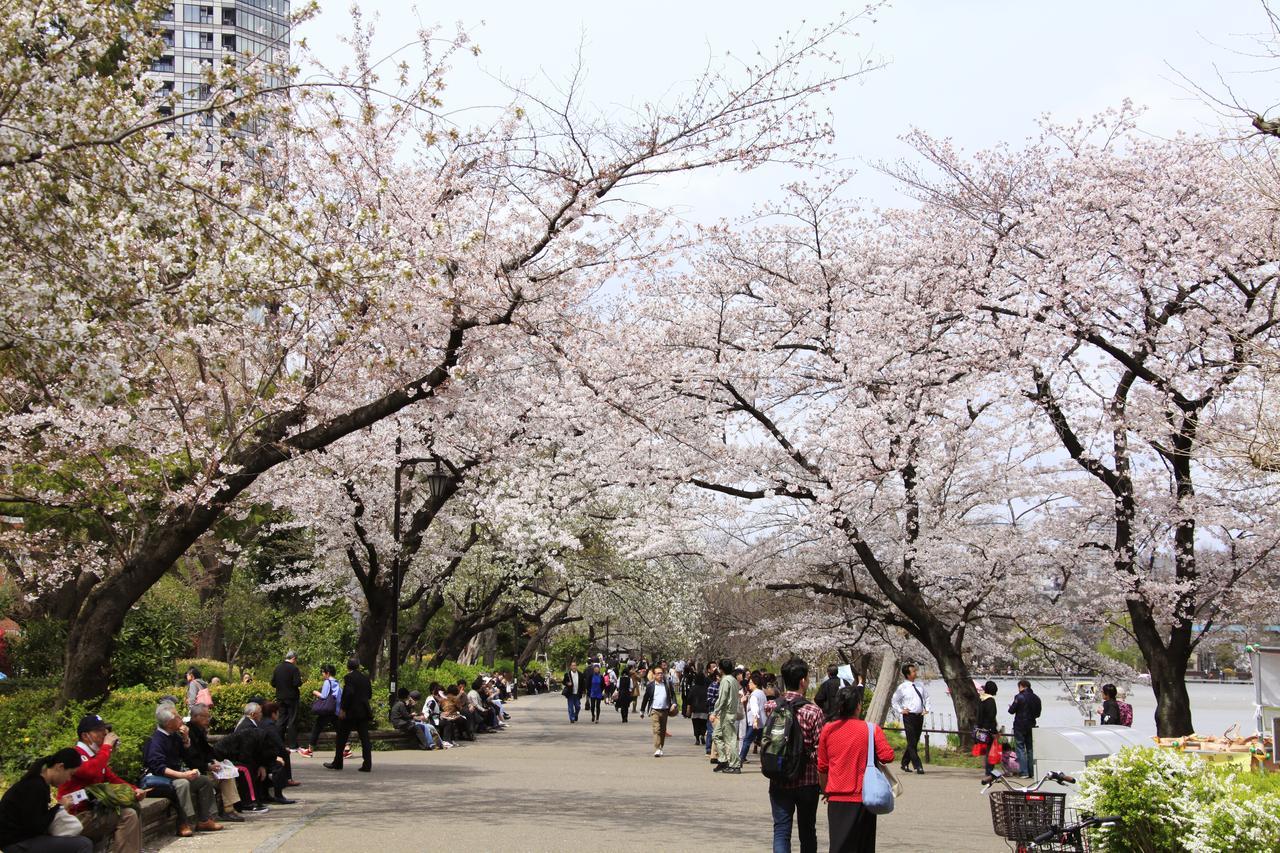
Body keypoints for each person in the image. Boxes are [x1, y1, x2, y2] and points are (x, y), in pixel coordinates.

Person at [818, 685, 895, 853]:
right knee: (863, 847)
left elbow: (822, 767)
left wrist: (826, 791)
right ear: (858, 705)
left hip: (837, 798)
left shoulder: (828, 730)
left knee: (839, 847)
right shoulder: (871, 729)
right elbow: (887, 756)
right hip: (864, 798)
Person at [60, 714, 146, 850]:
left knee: (133, 806)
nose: (104, 734)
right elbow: (90, 772)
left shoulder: (95, 757)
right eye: (98, 731)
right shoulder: (75, 755)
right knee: (128, 815)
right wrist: (106, 747)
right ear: (85, 736)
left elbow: (113, 779)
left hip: (92, 812)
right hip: (76, 816)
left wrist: (135, 790)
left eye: (104, 730)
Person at [766, 658, 826, 853]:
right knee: (807, 830)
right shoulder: (813, 711)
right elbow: (820, 750)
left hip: (779, 776)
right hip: (807, 780)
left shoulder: (771, 707)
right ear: (802, 680)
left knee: (781, 830)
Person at [141, 704, 222, 836]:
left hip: (175, 775)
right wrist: (182, 775)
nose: (181, 719)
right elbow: (159, 768)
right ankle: (183, 822)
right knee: (183, 784)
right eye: (177, 717)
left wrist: (185, 740)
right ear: (169, 723)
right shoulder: (156, 740)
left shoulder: (174, 735)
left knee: (203, 781)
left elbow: (188, 757)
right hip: (161, 779)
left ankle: (205, 819)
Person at [0, 748, 92, 853]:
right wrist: (60, 807)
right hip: (16, 842)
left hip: (18, 839)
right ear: (60, 767)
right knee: (83, 844)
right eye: (70, 774)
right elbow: (36, 827)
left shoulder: (38, 783)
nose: (68, 779)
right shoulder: (36, 786)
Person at [183, 704, 246, 824]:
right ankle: (226, 811)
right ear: (196, 717)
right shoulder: (189, 733)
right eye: (206, 717)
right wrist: (207, 766)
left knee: (227, 773)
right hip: (195, 771)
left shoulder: (199, 731)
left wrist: (214, 761)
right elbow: (191, 757)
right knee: (223, 777)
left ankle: (229, 809)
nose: (208, 720)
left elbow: (207, 751)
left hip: (204, 767)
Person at [325, 657, 373, 772]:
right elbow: (369, 694)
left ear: (348, 667)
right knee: (365, 739)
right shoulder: (365, 678)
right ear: (358, 666)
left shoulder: (349, 677)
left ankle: (338, 762)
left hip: (351, 712)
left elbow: (348, 693)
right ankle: (367, 764)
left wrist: (343, 709)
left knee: (341, 737)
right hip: (363, 712)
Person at [889, 663, 928, 774]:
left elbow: (927, 697)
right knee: (911, 741)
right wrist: (901, 710)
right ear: (907, 674)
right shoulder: (902, 687)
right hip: (909, 716)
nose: (915, 672)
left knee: (915, 741)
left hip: (919, 716)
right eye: (913, 671)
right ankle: (918, 765)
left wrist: (926, 708)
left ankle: (904, 762)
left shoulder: (920, 685)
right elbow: (894, 700)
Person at [300, 663, 341, 757]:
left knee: (317, 728)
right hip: (334, 709)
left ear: (327, 673)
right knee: (340, 729)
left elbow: (324, 696)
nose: (322, 674)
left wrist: (315, 692)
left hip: (327, 710)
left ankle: (310, 750)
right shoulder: (336, 682)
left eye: (322, 672)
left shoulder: (327, 682)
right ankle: (346, 748)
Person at [711, 657, 743, 773]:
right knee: (717, 735)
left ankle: (735, 765)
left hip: (727, 713)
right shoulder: (734, 680)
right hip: (730, 712)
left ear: (721, 669)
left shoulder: (726, 680)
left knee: (730, 739)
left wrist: (714, 712)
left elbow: (722, 698)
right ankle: (723, 760)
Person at [1008, 679, 1042, 779]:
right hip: (1031, 725)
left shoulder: (1019, 697)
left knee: (1020, 748)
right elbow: (1038, 714)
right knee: (1030, 748)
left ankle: (1024, 772)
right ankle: (1032, 772)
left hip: (1020, 725)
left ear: (1021, 686)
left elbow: (1011, 711)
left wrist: (1011, 707)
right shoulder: (1037, 698)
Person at [270, 651, 303, 751]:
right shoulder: (294, 669)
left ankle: (279, 744)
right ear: (293, 658)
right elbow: (297, 683)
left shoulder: (277, 668)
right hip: (292, 698)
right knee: (292, 720)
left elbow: (273, 683)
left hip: (280, 697)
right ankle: (293, 745)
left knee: (281, 720)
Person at [643, 664, 677, 757]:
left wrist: (674, 703)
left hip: (665, 710)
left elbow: (673, 694)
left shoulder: (667, 684)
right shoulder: (650, 685)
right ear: (653, 675)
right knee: (656, 729)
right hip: (654, 710)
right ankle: (657, 748)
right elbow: (646, 698)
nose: (660, 675)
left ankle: (661, 746)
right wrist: (642, 710)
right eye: (658, 673)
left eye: (661, 673)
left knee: (662, 730)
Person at [740, 673, 767, 765]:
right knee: (763, 742)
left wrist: (755, 721)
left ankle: (741, 759)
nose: (749, 684)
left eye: (751, 682)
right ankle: (765, 761)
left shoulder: (754, 695)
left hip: (755, 723)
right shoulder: (762, 693)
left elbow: (755, 709)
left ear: (755, 683)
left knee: (747, 740)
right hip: (763, 722)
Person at [975, 681, 999, 776]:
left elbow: (979, 715)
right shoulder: (990, 700)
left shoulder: (981, 699)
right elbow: (991, 716)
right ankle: (990, 771)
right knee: (991, 751)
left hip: (982, 729)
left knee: (986, 751)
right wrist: (994, 731)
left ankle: (987, 770)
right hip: (989, 729)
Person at [687, 667, 710, 744]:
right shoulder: (706, 688)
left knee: (696, 724)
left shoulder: (693, 688)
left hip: (695, 709)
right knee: (703, 724)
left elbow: (689, 699)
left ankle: (697, 738)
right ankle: (702, 735)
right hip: (704, 710)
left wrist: (688, 709)